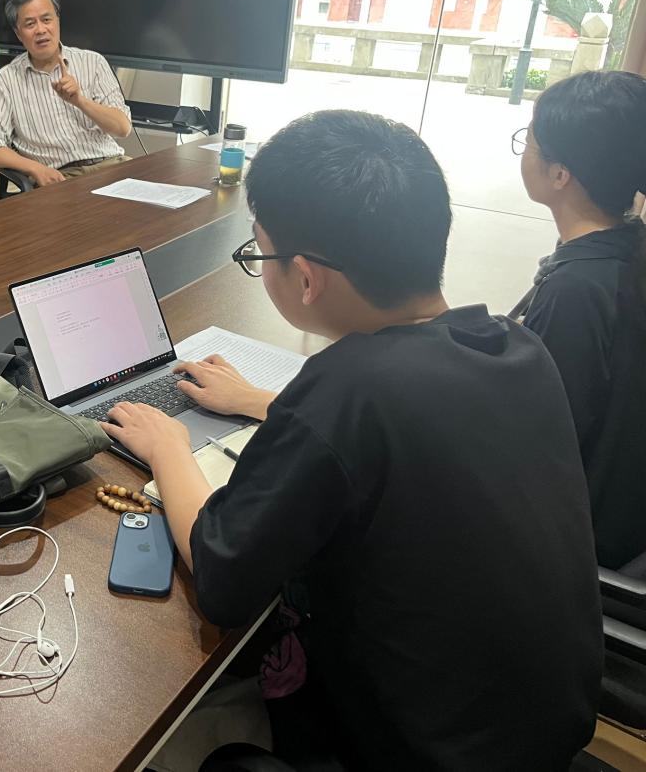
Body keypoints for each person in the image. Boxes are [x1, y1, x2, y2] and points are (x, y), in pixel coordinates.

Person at [104, 111, 601, 770]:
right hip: (538, 735)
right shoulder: (516, 346)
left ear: (307, 278)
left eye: (259, 254)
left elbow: (222, 576)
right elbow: (408, 424)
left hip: (417, 753)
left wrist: (167, 444)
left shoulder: (346, 388)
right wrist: (262, 401)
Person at [513, 70, 646, 569]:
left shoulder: (577, 290)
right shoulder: (629, 251)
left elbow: (539, 443)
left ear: (559, 174)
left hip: (576, 547)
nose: (524, 152)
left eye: (529, 140)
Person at [0, 0, 133, 188]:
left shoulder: (93, 62)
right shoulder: (4, 82)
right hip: (61, 178)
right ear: (18, 34)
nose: (40, 30)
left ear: (57, 21)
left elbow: (122, 128)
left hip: (113, 165)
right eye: (30, 24)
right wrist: (35, 169)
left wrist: (80, 101)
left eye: (46, 20)